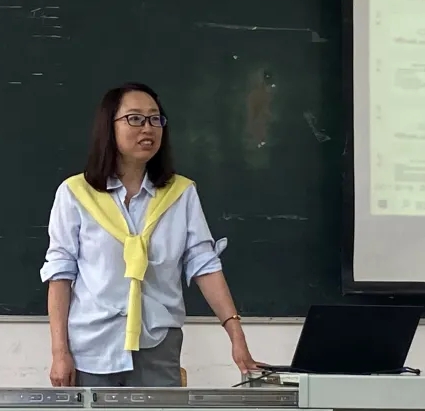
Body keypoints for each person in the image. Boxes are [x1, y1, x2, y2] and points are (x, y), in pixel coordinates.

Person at [40, 82, 260, 388]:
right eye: (135, 118)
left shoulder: (180, 194)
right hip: (91, 347)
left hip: (158, 346)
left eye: (155, 119)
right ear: (109, 126)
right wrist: (59, 352)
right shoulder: (76, 194)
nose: (148, 128)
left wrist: (236, 335)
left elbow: (204, 265)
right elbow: (61, 275)